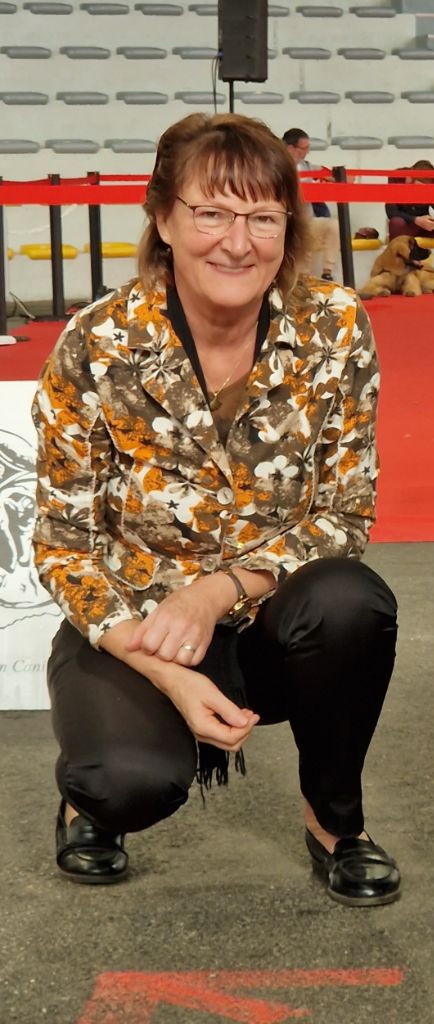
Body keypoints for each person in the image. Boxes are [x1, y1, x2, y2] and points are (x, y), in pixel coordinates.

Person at [33, 112, 401, 907]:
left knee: (351, 602)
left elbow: (346, 513)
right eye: (212, 213)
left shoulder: (336, 327)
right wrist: (163, 667)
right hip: (135, 627)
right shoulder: (95, 344)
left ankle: (336, 822)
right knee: (127, 782)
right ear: (163, 218)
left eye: (263, 217)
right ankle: (87, 796)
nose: (239, 241)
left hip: (272, 621)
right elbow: (62, 545)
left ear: (288, 229)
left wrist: (219, 590)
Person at [385, 159, 434, 277]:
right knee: (396, 222)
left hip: (426, 224)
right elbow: (391, 212)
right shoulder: (396, 176)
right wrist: (416, 220)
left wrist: (432, 195)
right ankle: (397, 269)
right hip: (406, 224)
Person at [282, 127, 340, 282]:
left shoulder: (307, 165)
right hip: (286, 220)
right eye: (304, 148)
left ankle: (327, 272)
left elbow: (327, 173)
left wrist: (336, 178)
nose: (306, 152)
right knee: (299, 232)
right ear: (290, 148)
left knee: (333, 225)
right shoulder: (277, 167)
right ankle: (302, 278)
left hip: (308, 219)